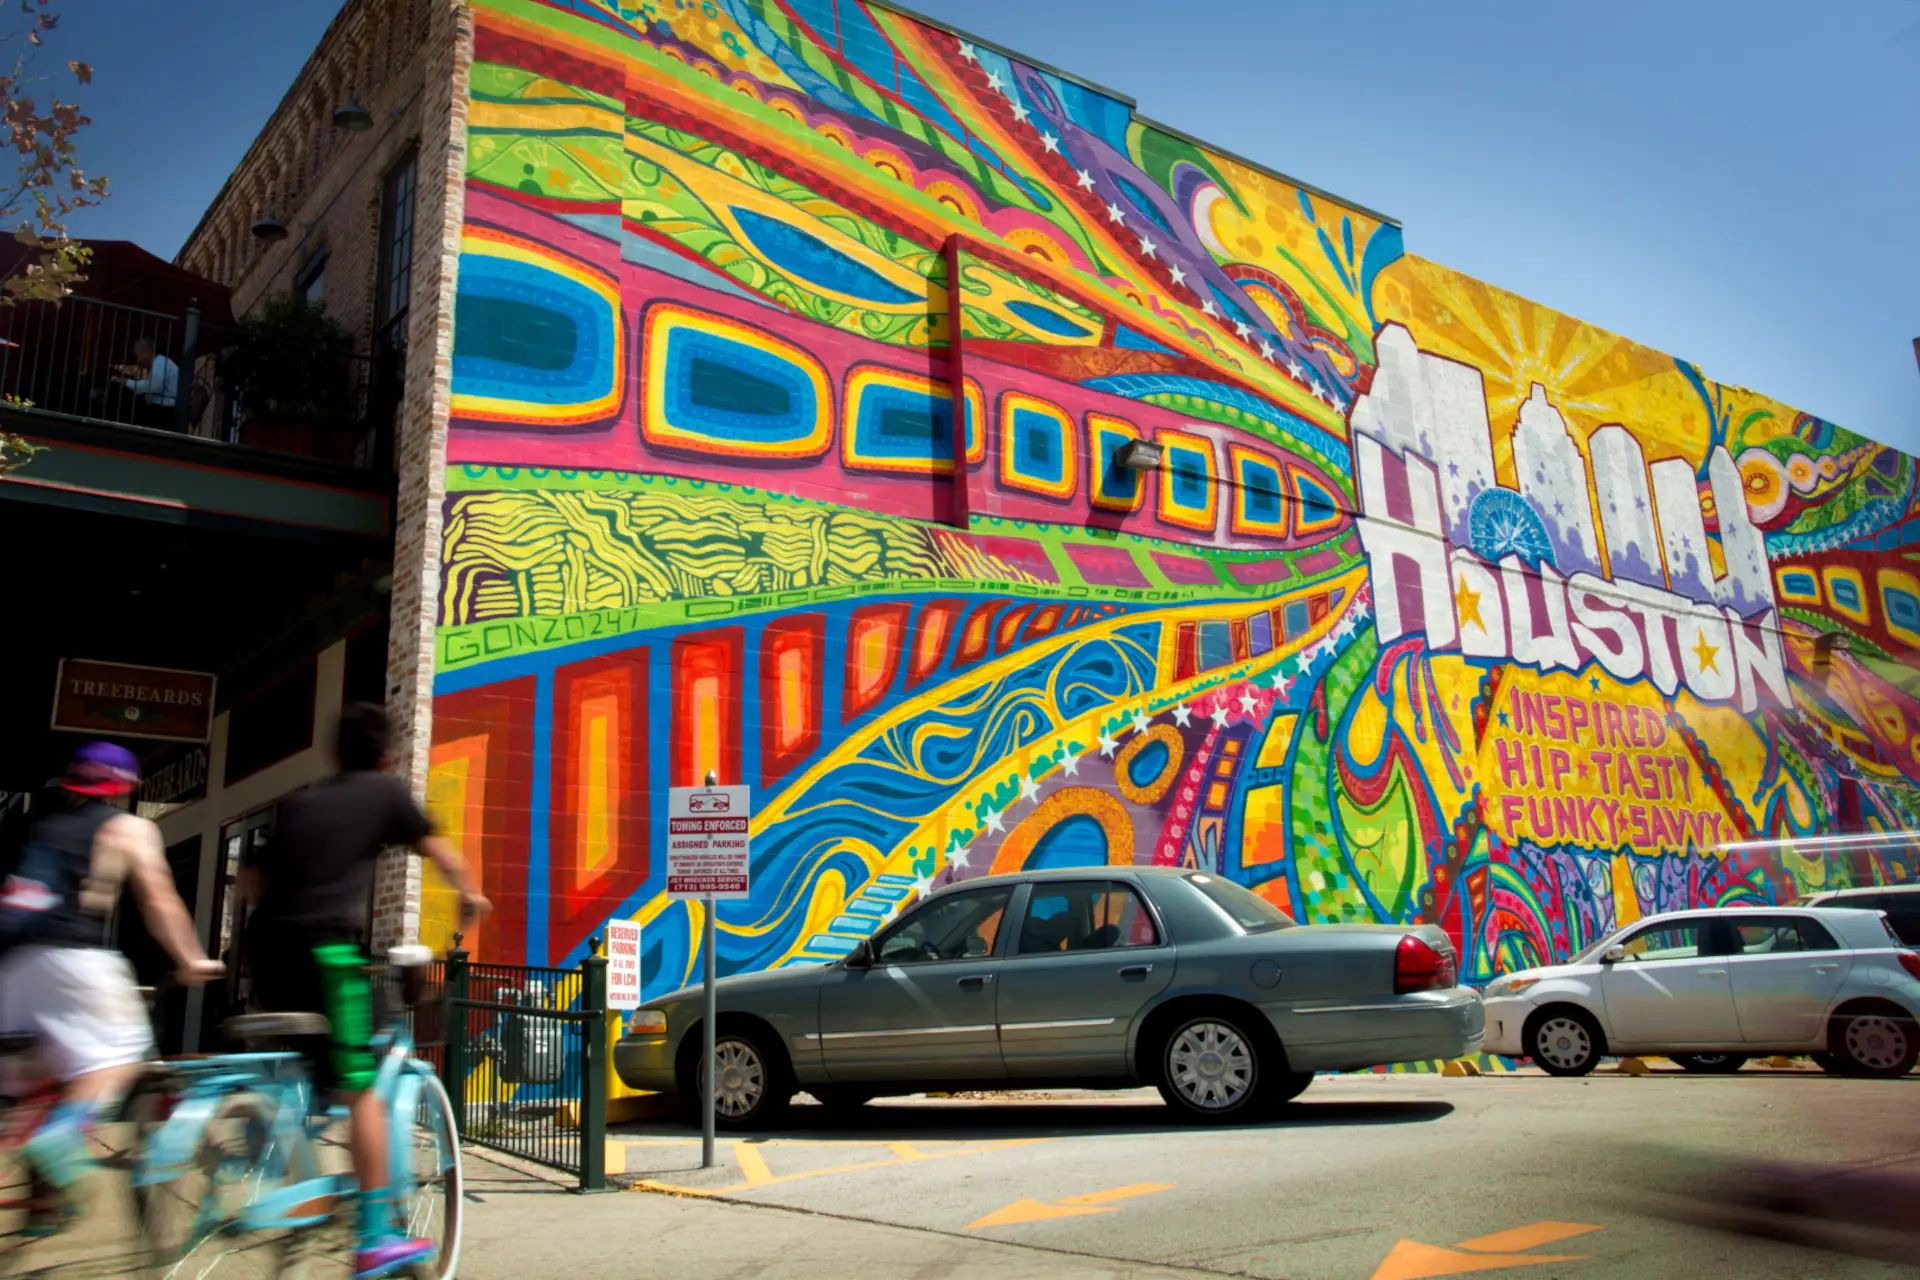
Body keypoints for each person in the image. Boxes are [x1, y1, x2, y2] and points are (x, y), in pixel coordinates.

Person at [242, 703, 491, 1280]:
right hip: (326, 951)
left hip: (267, 950)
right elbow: (444, 855)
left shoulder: (301, 801)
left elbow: (252, 881)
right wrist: (471, 896)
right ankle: (376, 1236)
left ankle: (288, 1155)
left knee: (315, 1061)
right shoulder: (386, 793)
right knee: (363, 1092)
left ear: (334, 753)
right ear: (387, 756)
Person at [0, 743, 223, 1225]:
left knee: (47, 1080)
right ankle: (61, 1136)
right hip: (75, 961)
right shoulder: (128, 827)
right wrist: (191, 958)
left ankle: (43, 1208)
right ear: (124, 787)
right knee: (121, 1053)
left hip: (15, 969)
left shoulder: (41, 828)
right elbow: (157, 898)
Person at [109, 336, 179, 430]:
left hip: (164, 411)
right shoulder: (157, 364)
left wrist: (125, 382)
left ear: (147, 351)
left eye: (138, 355)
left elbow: (152, 386)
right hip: (160, 409)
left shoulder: (160, 363)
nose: (138, 360)